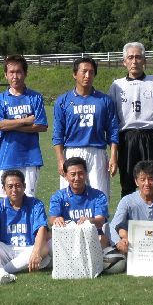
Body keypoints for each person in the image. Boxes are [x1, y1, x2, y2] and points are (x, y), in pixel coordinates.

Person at [53, 57, 119, 199]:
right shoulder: (63, 101)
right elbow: (58, 133)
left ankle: (100, 216)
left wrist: (114, 156)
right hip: (72, 151)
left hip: (97, 152)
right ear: (75, 74)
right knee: (70, 196)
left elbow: (113, 130)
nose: (88, 75)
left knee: (100, 195)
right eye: (84, 71)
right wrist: (60, 159)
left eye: (91, 72)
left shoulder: (105, 100)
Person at [109, 42, 153, 196]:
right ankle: (129, 212)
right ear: (124, 62)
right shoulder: (117, 85)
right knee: (128, 184)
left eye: (138, 57)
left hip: (151, 137)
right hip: (127, 139)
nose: (134, 61)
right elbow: (113, 117)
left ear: (144, 60)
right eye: (130, 57)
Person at [0, 170, 50, 284]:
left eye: (18, 186)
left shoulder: (36, 204)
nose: (14, 190)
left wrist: (36, 252)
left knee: (44, 247)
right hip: (6, 249)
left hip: (28, 249)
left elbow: (42, 229)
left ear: (24, 186)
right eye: (10, 186)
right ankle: (2, 271)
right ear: (4, 188)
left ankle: (0, 271)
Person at [0, 55, 48, 197]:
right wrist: (26, 120)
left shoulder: (35, 97)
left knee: (28, 200)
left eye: (19, 72)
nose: (15, 76)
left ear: (25, 73)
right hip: (6, 158)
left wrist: (9, 125)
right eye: (11, 72)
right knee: (6, 201)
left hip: (30, 158)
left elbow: (41, 125)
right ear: (5, 75)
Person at [49, 157, 110, 247]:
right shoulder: (58, 196)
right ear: (65, 176)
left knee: (103, 239)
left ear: (86, 174)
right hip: (68, 238)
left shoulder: (98, 196)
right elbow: (52, 219)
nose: (77, 178)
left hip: (92, 238)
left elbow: (100, 222)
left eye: (80, 173)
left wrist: (89, 220)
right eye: (73, 174)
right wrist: (56, 219)